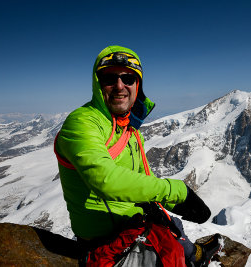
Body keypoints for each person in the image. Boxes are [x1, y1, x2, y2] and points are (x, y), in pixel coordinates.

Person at [54, 45, 221, 266]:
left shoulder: (129, 129)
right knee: (168, 253)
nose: (120, 86)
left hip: (130, 220)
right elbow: (105, 180)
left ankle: (195, 255)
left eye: (128, 78)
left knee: (172, 225)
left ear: (137, 85)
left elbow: (144, 178)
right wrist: (176, 191)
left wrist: (170, 203)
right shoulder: (83, 122)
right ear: (98, 83)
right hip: (105, 238)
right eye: (110, 78)